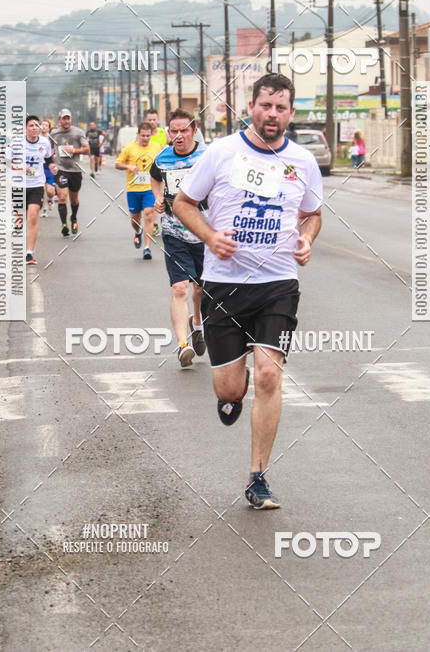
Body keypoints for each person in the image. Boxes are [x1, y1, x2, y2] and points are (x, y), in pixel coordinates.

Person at [174, 73, 323, 510]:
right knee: (228, 387)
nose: (272, 114)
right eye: (265, 105)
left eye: (280, 108)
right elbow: (183, 202)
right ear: (251, 107)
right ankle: (230, 397)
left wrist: (307, 238)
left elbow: (312, 213)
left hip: (278, 283)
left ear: (291, 113)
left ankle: (258, 477)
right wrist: (208, 236)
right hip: (224, 284)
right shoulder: (221, 153)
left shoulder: (302, 161)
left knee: (270, 375)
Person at [150, 109, 207, 369]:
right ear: (168, 132)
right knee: (180, 288)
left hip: (205, 232)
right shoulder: (162, 158)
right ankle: (183, 346)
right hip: (174, 231)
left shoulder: (207, 156)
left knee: (201, 289)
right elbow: (154, 177)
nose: (179, 135)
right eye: (174, 131)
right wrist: (158, 197)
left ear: (194, 130)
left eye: (184, 130)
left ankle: (198, 324)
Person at [10, 115, 57, 265]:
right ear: (25, 128)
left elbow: (49, 160)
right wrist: (21, 168)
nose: (34, 127)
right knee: (19, 220)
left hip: (36, 185)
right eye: (31, 125)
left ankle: (29, 253)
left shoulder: (45, 142)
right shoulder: (17, 143)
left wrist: (53, 167)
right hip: (18, 184)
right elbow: (6, 162)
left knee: (33, 217)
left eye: (36, 125)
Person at [115, 122, 159, 260]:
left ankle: (147, 248)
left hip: (149, 189)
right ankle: (138, 231)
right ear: (138, 134)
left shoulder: (156, 147)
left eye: (148, 135)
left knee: (149, 215)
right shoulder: (129, 148)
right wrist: (129, 166)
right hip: (133, 189)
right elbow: (117, 164)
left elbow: (163, 161)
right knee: (135, 219)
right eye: (143, 135)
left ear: (151, 135)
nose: (146, 138)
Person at [50, 109, 89, 237]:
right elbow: (49, 149)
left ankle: (73, 217)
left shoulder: (78, 132)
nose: (66, 121)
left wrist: (73, 150)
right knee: (62, 197)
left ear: (71, 119)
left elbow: (87, 150)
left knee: (74, 200)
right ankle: (64, 225)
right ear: (59, 120)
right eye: (64, 118)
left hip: (75, 170)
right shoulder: (54, 134)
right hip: (61, 170)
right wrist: (51, 162)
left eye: (68, 118)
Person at [40, 119, 56, 216]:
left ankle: (51, 199)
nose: (44, 126)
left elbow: (55, 150)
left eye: (46, 125)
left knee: (50, 191)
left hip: (48, 166)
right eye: (42, 124)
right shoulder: (36, 138)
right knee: (41, 189)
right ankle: (44, 209)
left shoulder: (51, 139)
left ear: (49, 128)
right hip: (39, 166)